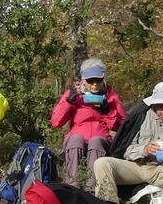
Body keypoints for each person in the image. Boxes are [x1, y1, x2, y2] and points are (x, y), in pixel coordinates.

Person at [50, 58, 125, 189]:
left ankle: (92, 188)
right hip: (76, 138)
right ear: (83, 79)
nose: (95, 84)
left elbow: (122, 127)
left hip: (101, 139)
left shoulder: (111, 96)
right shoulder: (73, 94)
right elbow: (56, 123)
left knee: (96, 141)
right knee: (76, 140)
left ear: (104, 78)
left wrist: (107, 111)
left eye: (98, 80)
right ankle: (72, 186)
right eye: (90, 81)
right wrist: (69, 102)